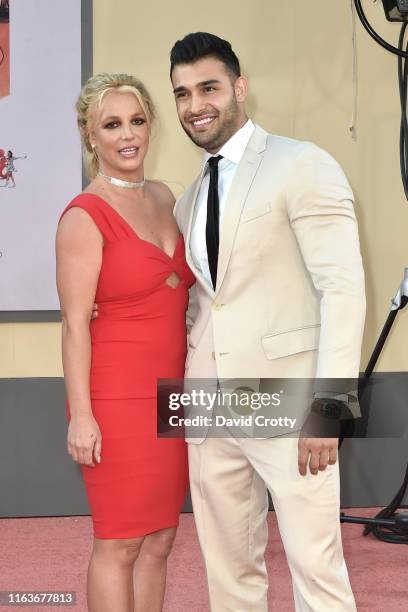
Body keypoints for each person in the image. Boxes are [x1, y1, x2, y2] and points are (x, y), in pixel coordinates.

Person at [170, 33, 366, 611]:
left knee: (316, 569)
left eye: (208, 87)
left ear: (239, 87)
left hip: (292, 400)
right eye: (182, 93)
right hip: (209, 408)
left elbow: (343, 287)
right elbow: (209, 302)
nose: (194, 104)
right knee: (227, 575)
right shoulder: (188, 199)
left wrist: (331, 404)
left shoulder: (302, 163)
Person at [56, 73, 194, 612]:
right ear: (91, 137)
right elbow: (73, 325)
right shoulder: (82, 216)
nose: (127, 135)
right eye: (111, 125)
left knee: (161, 539)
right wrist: (82, 415)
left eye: (136, 121)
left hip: (174, 394)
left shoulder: (165, 196)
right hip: (115, 399)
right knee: (120, 541)